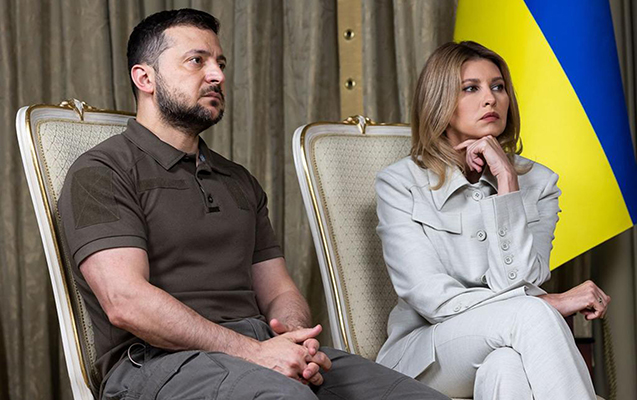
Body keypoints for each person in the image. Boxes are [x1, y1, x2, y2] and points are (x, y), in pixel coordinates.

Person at [58, 8, 448, 400]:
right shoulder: (101, 172)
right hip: (157, 364)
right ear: (145, 78)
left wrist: (294, 339)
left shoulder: (238, 180)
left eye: (220, 63)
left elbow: (279, 292)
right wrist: (254, 353)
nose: (217, 75)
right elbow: (126, 302)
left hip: (256, 349)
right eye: (197, 61)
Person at [374, 41, 610, 400]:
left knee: (506, 365)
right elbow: (433, 299)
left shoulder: (540, 182)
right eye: (471, 88)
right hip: (428, 355)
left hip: (508, 337)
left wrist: (507, 185)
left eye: (498, 86)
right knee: (531, 316)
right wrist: (547, 304)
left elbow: (522, 282)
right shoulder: (400, 183)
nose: (491, 99)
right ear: (439, 101)